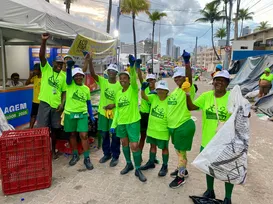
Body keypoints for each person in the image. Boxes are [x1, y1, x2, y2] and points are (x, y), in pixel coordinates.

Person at [185, 70, 234, 204]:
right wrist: (187, 93)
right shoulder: (206, 96)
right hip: (207, 141)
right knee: (208, 167)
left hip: (226, 143)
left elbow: (243, 114)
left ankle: (228, 197)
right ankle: (210, 190)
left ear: (227, 83)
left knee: (228, 170)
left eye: (222, 80)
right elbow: (191, 107)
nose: (218, 82)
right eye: (216, 79)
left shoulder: (233, 97)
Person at [110, 56, 147, 182]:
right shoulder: (118, 93)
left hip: (133, 122)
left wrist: (132, 67)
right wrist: (113, 125)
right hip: (121, 123)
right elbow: (117, 111)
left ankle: (138, 169)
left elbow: (133, 78)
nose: (123, 80)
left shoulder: (133, 90)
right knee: (124, 144)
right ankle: (128, 163)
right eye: (120, 79)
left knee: (134, 145)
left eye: (125, 78)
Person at [167, 51, 196, 189]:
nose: (177, 79)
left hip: (183, 125)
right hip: (175, 127)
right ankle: (182, 169)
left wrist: (187, 62)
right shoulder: (175, 91)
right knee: (179, 152)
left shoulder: (186, 89)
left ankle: (181, 177)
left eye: (180, 77)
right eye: (176, 77)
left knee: (181, 153)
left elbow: (189, 79)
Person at [88, 53, 122, 167]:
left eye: (114, 71)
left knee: (115, 136)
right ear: (107, 72)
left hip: (114, 114)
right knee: (104, 134)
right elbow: (92, 74)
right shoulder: (103, 81)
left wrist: (114, 105)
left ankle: (115, 156)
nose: (111, 73)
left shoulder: (120, 85)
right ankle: (107, 154)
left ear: (116, 73)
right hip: (103, 113)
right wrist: (90, 61)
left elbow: (123, 99)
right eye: (110, 71)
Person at [37, 33, 67, 160]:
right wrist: (43, 41)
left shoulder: (63, 76)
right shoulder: (46, 69)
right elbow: (41, 56)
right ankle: (42, 152)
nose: (59, 66)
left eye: (61, 65)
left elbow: (64, 92)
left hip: (56, 106)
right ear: (53, 62)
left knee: (55, 130)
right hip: (44, 104)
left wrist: (62, 103)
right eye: (58, 64)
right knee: (42, 130)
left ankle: (53, 150)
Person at [64, 60, 95, 170]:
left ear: (83, 76)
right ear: (73, 77)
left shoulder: (86, 89)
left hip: (82, 114)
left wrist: (91, 115)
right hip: (70, 114)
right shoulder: (69, 85)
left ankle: (87, 158)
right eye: (76, 76)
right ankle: (75, 154)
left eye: (80, 75)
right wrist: (69, 67)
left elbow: (89, 103)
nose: (78, 77)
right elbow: (68, 79)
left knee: (84, 135)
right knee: (72, 135)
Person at [140, 80, 170, 177]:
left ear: (167, 91)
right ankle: (151, 162)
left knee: (164, 148)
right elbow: (144, 97)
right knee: (152, 146)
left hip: (163, 130)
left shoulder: (170, 101)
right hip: (152, 129)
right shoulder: (154, 97)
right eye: (159, 89)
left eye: (163, 89)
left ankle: (165, 166)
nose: (160, 91)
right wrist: (143, 89)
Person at [139, 73, 157, 162]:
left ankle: (153, 158)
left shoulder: (159, 91)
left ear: (155, 81)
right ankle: (139, 155)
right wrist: (138, 68)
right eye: (148, 80)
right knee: (142, 137)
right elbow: (140, 76)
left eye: (152, 80)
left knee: (153, 138)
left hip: (153, 116)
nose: (150, 81)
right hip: (144, 116)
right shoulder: (144, 89)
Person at [25, 63, 42, 128]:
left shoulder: (44, 78)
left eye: (36, 70)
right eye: (34, 69)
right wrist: (30, 76)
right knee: (33, 115)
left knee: (42, 117)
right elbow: (26, 83)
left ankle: (42, 130)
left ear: (40, 70)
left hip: (42, 101)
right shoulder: (34, 78)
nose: (34, 71)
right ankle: (30, 129)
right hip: (35, 101)